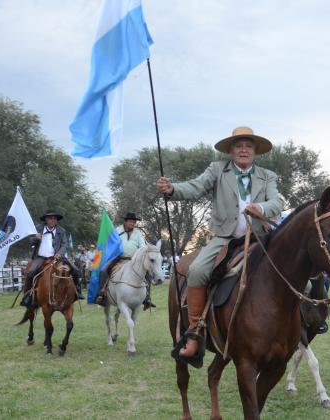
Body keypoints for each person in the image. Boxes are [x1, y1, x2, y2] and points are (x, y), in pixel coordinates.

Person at [156, 126, 284, 359]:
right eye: (239, 146)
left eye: (248, 146)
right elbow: (195, 186)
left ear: (255, 151)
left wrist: (262, 207)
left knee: (298, 277)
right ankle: (195, 333)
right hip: (225, 238)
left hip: (261, 238)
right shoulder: (217, 170)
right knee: (196, 271)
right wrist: (173, 188)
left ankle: (297, 330)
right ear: (231, 150)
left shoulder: (268, 176)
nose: (243, 150)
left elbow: (278, 201)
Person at [20, 210, 83, 307]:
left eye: (55, 218)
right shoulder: (38, 228)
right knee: (31, 272)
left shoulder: (61, 231)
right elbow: (30, 242)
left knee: (75, 270)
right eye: (50, 218)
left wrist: (59, 252)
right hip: (40, 257)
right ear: (46, 219)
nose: (53, 220)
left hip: (56, 258)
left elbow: (65, 244)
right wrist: (35, 238)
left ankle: (77, 292)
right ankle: (28, 295)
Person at [94, 212, 155, 310]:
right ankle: (102, 295)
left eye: (134, 222)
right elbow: (110, 243)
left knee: (148, 274)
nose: (132, 223)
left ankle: (146, 298)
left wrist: (141, 253)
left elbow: (143, 247)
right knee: (104, 270)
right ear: (125, 221)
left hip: (133, 261)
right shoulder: (117, 231)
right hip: (118, 259)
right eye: (130, 221)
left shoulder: (138, 233)